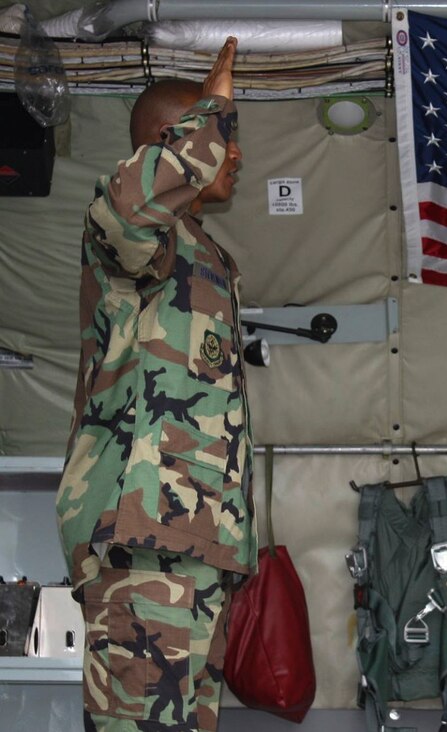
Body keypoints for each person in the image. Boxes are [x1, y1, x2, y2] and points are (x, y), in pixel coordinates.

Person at [55, 38, 256, 732]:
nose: (232, 153)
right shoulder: (132, 237)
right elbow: (136, 202)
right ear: (171, 144)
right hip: (140, 539)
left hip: (193, 544)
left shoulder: (202, 253)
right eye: (218, 138)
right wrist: (213, 108)